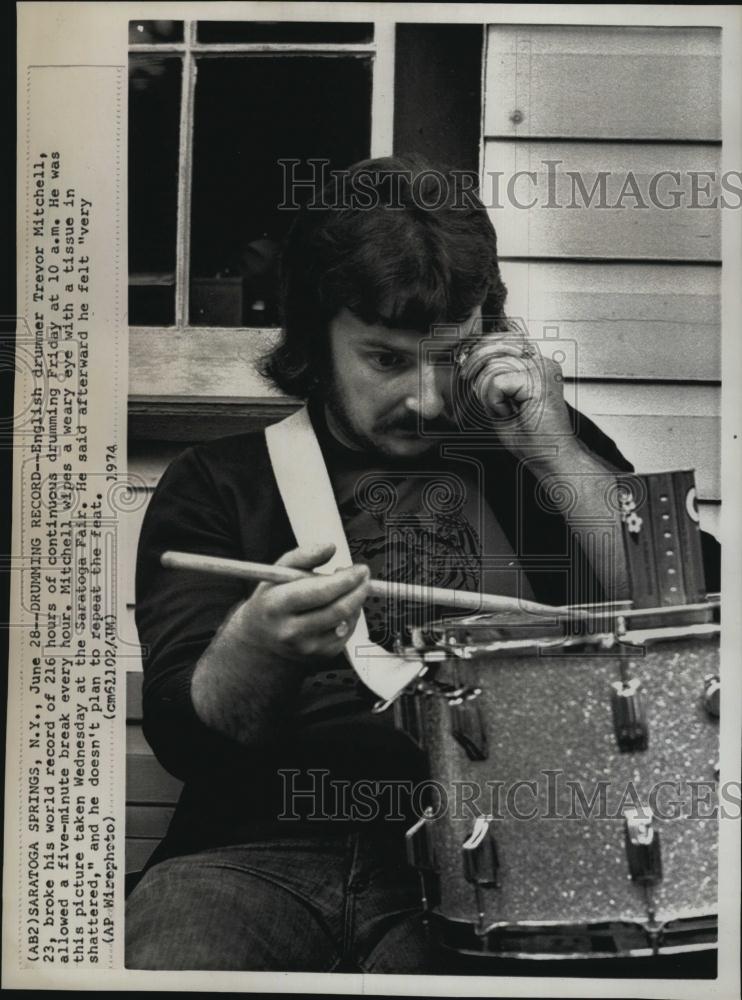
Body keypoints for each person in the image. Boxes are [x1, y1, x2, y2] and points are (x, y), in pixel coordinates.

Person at [125, 156, 719, 972]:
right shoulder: (219, 480)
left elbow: (694, 615)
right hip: (253, 856)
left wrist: (550, 449)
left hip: (496, 856)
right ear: (313, 334)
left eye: (449, 356)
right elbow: (185, 739)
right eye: (385, 358)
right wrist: (257, 644)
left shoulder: (531, 445)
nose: (428, 398)